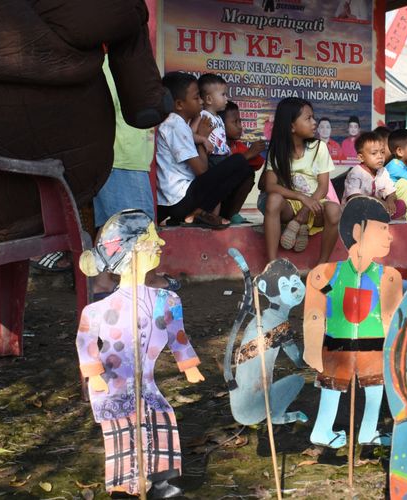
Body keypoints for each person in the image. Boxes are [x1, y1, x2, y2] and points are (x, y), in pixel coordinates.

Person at [76, 209, 204, 497]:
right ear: (130, 252)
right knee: (122, 434)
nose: (159, 244)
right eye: (150, 240)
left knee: (161, 418)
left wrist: (188, 365)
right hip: (113, 386)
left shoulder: (167, 300)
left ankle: (161, 483)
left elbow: (177, 335)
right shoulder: (98, 310)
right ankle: (124, 488)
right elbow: (85, 343)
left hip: (147, 384)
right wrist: (94, 376)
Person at [304, 196, 402, 448]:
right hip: (337, 345)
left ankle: (368, 430)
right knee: (332, 386)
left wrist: (395, 354)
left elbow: (392, 317)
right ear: (358, 231)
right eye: (383, 228)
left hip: (374, 346)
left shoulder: (389, 276)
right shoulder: (325, 273)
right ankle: (323, 428)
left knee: (374, 387)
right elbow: (314, 314)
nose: (389, 236)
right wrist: (312, 348)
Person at [90, 57, 180, 298]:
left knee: (112, 223)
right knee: (139, 224)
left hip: (122, 157)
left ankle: (103, 281)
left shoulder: (118, 66)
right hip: (122, 157)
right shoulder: (113, 68)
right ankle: (145, 280)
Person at [155, 72, 253, 229]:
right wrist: (202, 137)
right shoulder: (175, 125)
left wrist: (201, 138)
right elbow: (201, 170)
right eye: (196, 98)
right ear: (180, 104)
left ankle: (200, 213)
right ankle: (198, 212)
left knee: (244, 171)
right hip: (179, 199)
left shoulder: (178, 124)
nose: (201, 101)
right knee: (238, 162)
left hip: (178, 198)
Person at [260, 97, 341, 262]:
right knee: (274, 199)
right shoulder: (278, 151)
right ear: (291, 126)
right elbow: (269, 185)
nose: (314, 122)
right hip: (290, 205)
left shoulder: (319, 147)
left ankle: (321, 265)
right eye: (308, 118)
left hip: (315, 205)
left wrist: (304, 210)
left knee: (334, 211)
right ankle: (272, 264)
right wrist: (301, 198)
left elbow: (323, 188)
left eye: (313, 117)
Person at [220, 100, 266, 224]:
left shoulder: (238, 146)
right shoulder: (216, 145)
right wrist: (248, 154)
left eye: (240, 121)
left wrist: (256, 151)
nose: (240, 126)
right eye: (235, 122)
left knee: (248, 173)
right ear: (220, 124)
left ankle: (233, 214)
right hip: (212, 204)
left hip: (227, 204)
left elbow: (257, 164)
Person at [343, 131, 405, 219]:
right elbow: (354, 197)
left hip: (377, 209)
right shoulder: (356, 172)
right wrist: (377, 201)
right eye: (374, 153)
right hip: (356, 213)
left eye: (382, 152)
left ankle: (393, 230)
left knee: (400, 204)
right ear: (361, 157)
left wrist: (390, 200)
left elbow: (391, 191)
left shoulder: (383, 171)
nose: (380, 156)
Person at [198, 73, 231, 167]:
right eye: (223, 94)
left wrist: (227, 149)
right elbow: (190, 134)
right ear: (209, 99)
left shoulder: (219, 118)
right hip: (212, 156)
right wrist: (203, 140)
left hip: (222, 156)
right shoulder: (203, 115)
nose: (226, 98)